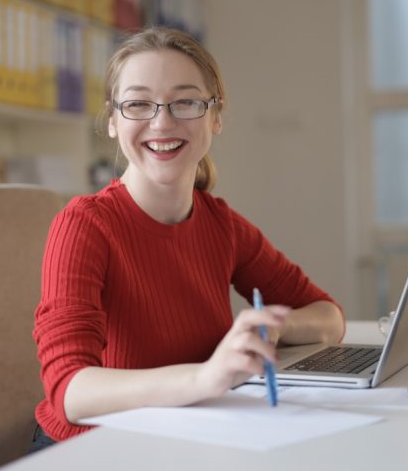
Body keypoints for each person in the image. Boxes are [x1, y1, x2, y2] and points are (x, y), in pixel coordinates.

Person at [30, 27, 345, 451]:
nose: (162, 121)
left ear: (215, 117)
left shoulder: (221, 224)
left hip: (184, 438)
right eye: (138, 104)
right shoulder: (85, 226)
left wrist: (272, 327)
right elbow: (70, 393)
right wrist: (207, 377)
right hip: (93, 449)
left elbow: (329, 317)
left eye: (185, 102)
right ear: (111, 120)